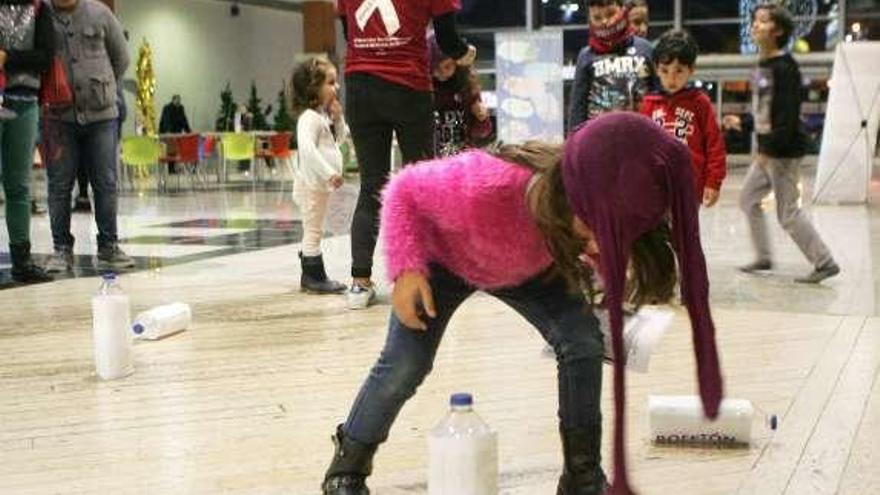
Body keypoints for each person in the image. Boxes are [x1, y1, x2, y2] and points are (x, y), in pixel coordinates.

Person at [319, 112, 724, 495]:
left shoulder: (584, 220)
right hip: (441, 261)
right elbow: (404, 189)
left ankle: (582, 476)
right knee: (405, 365)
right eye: (597, 229)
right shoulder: (490, 183)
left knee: (582, 343)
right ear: (572, 195)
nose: (600, 244)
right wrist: (406, 269)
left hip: (530, 271)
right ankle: (347, 466)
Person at [337, 0, 476, 309]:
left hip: (360, 87)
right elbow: (448, 40)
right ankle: (427, 274)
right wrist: (466, 54)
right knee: (422, 185)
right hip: (408, 88)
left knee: (371, 185)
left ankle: (359, 283)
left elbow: (349, 33)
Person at [739, 4, 840, 284]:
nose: (755, 26)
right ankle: (763, 257)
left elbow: (786, 113)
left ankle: (825, 261)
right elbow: (763, 109)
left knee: (787, 213)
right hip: (768, 151)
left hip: (782, 151)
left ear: (778, 30)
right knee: (748, 199)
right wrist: (745, 125)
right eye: (755, 21)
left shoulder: (786, 68)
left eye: (762, 21)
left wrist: (768, 150)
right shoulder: (762, 65)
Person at [44, 0, 134, 272]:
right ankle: (61, 249)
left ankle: (109, 246)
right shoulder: (42, 15)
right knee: (59, 186)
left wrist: (101, 84)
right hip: (57, 118)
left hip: (102, 116)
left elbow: (121, 59)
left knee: (105, 183)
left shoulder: (100, 13)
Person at [0, 0, 55, 283]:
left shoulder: (40, 8)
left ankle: (21, 260)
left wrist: (7, 57)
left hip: (25, 103)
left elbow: (45, 57)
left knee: (18, 186)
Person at [640, 30, 727, 207]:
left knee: (687, 234)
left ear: (691, 70)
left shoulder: (700, 103)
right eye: (665, 71)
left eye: (679, 71)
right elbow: (640, 148)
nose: (671, 78)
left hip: (690, 187)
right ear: (656, 69)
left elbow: (714, 144)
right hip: (656, 187)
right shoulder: (648, 105)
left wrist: (713, 182)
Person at [290, 56, 347, 294]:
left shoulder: (320, 117)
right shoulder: (308, 119)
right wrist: (329, 173)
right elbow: (307, 150)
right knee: (313, 230)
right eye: (331, 83)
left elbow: (340, 141)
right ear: (314, 88)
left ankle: (310, 267)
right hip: (313, 184)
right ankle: (313, 275)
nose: (337, 87)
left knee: (314, 227)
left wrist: (338, 118)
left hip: (318, 184)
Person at [568, 0, 654, 132]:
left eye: (610, 14)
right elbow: (577, 109)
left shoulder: (646, 49)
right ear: (589, 19)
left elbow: (660, 98)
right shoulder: (586, 56)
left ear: (622, 9)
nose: (605, 21)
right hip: (598, 140)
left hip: (643, 135)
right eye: (597, 17)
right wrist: (572, 145)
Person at [427, 33, 493, 157]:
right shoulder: (423, 89)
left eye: (447, 66)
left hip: (462, 162)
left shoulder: (467, 87)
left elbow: (482, 132)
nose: (442, 73)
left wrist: (482, 119)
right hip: (431, 162)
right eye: (435, 68)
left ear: (458, 64)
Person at [159, 94, 191, 174]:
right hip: (168, 134)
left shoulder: (180, 108)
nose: (179, 102)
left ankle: (174, 169)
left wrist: (189, 132)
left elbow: (184, 121)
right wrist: (168, 132)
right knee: (170, 152)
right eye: (177, 100)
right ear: (173, 100)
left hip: (177, 134)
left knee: (175, 152)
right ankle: (170, 170)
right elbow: (165, 121)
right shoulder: (167, 108)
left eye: (179, 101)